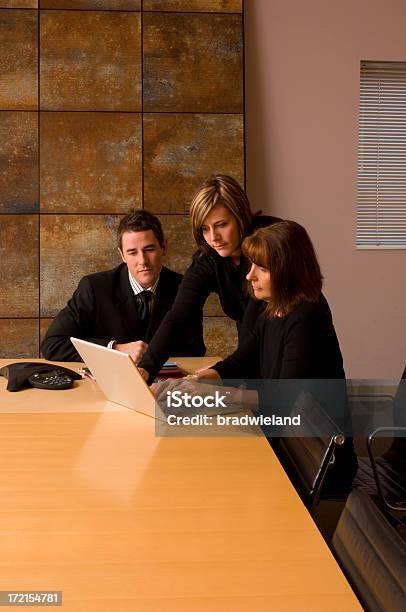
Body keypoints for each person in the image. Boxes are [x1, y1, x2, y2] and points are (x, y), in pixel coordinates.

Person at [195, 220, 358, 489]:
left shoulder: (307, 315)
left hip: (319, 464)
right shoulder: (272, 307)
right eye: (251, 266)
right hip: (287, 443)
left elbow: (283, 400)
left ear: (288, 272)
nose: (250, 276)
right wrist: (201, 379)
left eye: (262, 268)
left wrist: (218, 395)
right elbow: (241, 359)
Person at [138, 175, 280, 381]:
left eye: (221, 225)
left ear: (240, 216)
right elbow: (178, 317)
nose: (213, 238)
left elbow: (256, 328)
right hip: (251, 361)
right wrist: (146, 368)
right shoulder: (209, 258)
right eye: (205, 228)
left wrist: (221, 372)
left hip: (292, 357)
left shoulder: (272, 242)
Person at [41, 210, 205, 363]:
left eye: (149, 249)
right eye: (133, 252)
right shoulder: (94, 288)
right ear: (122, 255)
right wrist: (115, 349)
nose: (142, 261)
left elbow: (195, 352)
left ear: (164, 248)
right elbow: (53, 345)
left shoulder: (185, 288)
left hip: (167, 386)